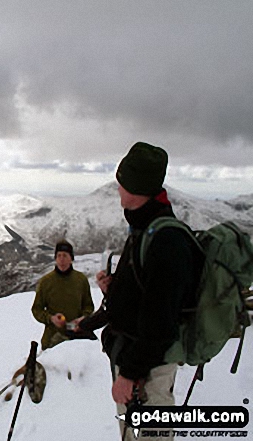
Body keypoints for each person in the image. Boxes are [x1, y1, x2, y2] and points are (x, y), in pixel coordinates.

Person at [96, 142, 200, 441]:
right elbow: (148, 294)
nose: (117, 188)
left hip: (148, 372)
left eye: (122, 182)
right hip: (134, 360)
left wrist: (128, 374)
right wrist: (115, 289)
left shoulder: (166, 241)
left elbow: (161, 323)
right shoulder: (145, 227)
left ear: (137, 187)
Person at [32, 239, 95, 350]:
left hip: (78, 335)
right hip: (53, 337)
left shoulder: (81, 280)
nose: (61, 259)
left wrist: (82, 319)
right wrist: (51, 318)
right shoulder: (46, 282)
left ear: (71, 258)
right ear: (55, 258)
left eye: (65, 255)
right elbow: (37, 309)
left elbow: (88, 306)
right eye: (59, 255)